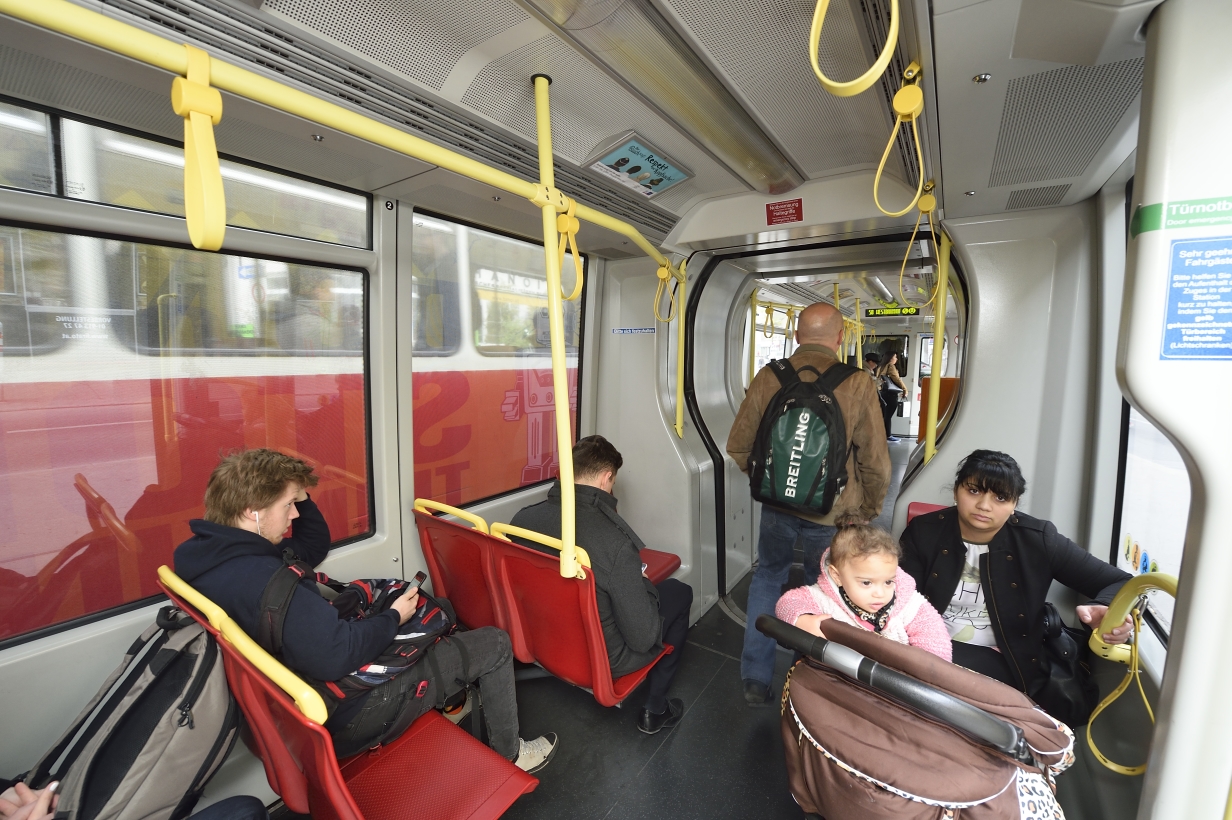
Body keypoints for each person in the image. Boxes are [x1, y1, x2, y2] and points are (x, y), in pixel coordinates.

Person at [173, 449, 557, 770]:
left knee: (440, 607)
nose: (294, 515)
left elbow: (313, 544)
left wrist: (299, 492)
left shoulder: (210, 558)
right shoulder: (270, 584)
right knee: (494, 644)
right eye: (288, 505)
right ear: (251, 511)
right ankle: (511, 753)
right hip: (351, 713)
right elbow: (337, 656)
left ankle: (449, 697)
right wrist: (393, 618)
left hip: (293, 694)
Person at [727, 302, 891, 706]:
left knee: (768, 577)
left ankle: (755, 678)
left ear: (797, 336)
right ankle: (811, 681)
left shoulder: (769, 376)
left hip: (777, 509)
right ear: (839, 338)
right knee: (827, 592)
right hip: (834, 515)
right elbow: (874, 459)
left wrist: (773, 483)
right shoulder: (857, 383)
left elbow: (739, 445)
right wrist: (867, 510)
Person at [899, 450, 1133, 709]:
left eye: (1000, 497)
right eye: (974, 491)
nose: (984, 506)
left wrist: (1105, 608)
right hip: (931, 646)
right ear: (956, 491)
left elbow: (1121, 581)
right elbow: (900, 599)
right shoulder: (925, 531)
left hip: (1006, 658)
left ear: (1014, 504)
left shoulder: (1037, 539)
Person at [510, 435, 693, 735]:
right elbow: (642, 637)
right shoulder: (614, 544)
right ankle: (655, 709)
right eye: (613, 482)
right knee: (679, 593)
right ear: (607, 477)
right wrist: (644, 585)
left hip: (542, 633)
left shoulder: (521, 519)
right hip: (603, 656)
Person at [775, 525, 951, 660]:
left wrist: (926, 669)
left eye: (889, 581)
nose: (880, 593)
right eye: (867, 583)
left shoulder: (907, 603)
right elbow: (787, 602)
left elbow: (935, 638)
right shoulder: (823, 598)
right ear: (837, 576)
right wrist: (802, 619)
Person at [874, 349, 908, 442]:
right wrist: (905, 389)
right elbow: (896, 379)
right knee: (888, 416)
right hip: (891, 394)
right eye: (895, 357)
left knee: (884, 414)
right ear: (890, 358)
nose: (896, 359)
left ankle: (881, 434)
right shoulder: (891, 366)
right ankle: (888, 435)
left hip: (882, 392)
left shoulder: (880, 366)